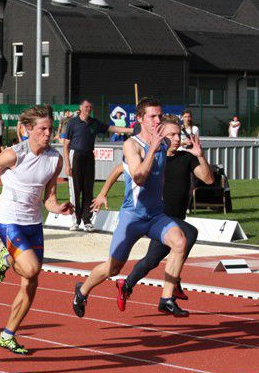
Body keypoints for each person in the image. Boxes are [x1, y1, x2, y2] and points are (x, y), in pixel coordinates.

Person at [72, 98, 189, 319]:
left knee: (180, 242)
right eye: (152, 116)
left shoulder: (163, 142)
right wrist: (153, 149)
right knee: (113, 268)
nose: (157, 120)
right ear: (140, 119)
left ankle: (166, 298)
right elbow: (139, 178)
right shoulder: (131, 145)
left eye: (159, 116)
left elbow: (176, 143)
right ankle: (83, 290)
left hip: (155, 215)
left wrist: (192, 149)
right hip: (133, 218)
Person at [92, 114, 214, 312]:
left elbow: (208, 180)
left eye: (178, 134)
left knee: (151, 260)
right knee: (189, 234)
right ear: (160, 136)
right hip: (159, 217)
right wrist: (102, 193)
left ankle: (127, 284)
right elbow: (118, 171)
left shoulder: (187, 158)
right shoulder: (151, 156)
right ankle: (173, 286)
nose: (176, 138)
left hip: (172, 220)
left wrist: (200, 155)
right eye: (172, 135)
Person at [0, 105, 73, 354]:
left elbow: (49, 198)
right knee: (31, 267)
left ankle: (8, 334)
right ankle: (8, 254)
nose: (47, 134)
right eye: (42, 129)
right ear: (28, 129)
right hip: (8, 218)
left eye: (50, 129)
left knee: (31, 279)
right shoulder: (15, 155)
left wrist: (59, 208)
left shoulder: (55, 159)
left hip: (33, 222)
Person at [62, 99, 132, 232]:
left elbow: (112, 128)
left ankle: (87, 220)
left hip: (89, 156)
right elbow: (66, 144)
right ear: (81, 108)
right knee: (75, 190)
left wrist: (131, 130)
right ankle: (75, 221)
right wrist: (67, 165)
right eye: (87, 106)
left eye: (91, 107)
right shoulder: (72, 123)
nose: (89, 109)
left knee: (88, 189)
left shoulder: (94, 123)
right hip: (75, 155)